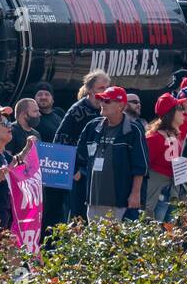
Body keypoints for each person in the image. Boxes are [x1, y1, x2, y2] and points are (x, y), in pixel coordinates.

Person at [74, 86, 148, 223]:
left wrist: (135, 193)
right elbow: (79, 155)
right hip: (94, 200)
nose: (102, 103)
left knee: (117, 242)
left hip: (120, 202)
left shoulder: (134, 129)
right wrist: (77, 171)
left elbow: (140, 166)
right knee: (94, 241)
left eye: (107, 101)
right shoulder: (92, 127)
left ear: (120, 105)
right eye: (101, 100)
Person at [55, 70, 109, 219]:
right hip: (81, 172)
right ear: (90, 90)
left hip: (100, 171)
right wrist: (73, 169)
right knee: (78, 216)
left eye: (107, 88)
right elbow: (60, 140)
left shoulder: (107, 108)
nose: (105, 92)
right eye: (101, 88)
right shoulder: (77, 110)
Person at [145, 93, 187, 221]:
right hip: (157, 194)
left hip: (173, 192)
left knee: (170, 233)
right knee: (156, 231)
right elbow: (143, 167)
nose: (183, 112)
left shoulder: (175, 135)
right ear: (171, 113)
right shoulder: (153, 138)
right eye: (179, 108)